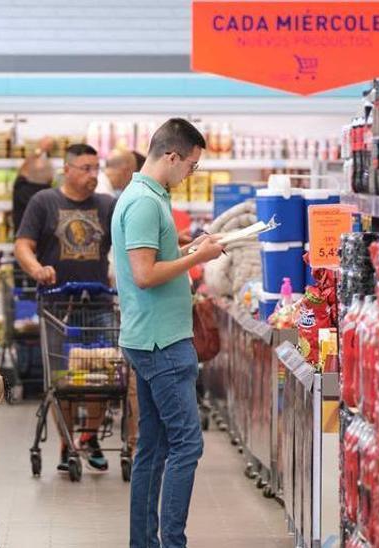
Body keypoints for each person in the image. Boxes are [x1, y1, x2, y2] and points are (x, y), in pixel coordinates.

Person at [111, 118, 224, 548]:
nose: (190, 174)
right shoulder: (144, 202)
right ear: (171, 156)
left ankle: (145, 543)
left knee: (154, 449)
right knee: (186, 446)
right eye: (191, 166)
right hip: (161, 343)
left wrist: (189, 248)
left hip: (152, 337)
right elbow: (144, 274)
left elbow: (155, 259)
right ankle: (171, 542)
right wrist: (199, 258)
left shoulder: (147, 197)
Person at [14, 143, 117, 473]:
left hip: (99, 302)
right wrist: (36, 269)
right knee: (65, 380)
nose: (92, 175)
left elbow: (131, 244)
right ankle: (66, 441)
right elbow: (23, 245)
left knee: (103, 376)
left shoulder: (107, 205)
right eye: (85, 168)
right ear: (67, 170)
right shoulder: (44, 202)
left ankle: (87, 436)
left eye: (96, 168)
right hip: (57, 305)